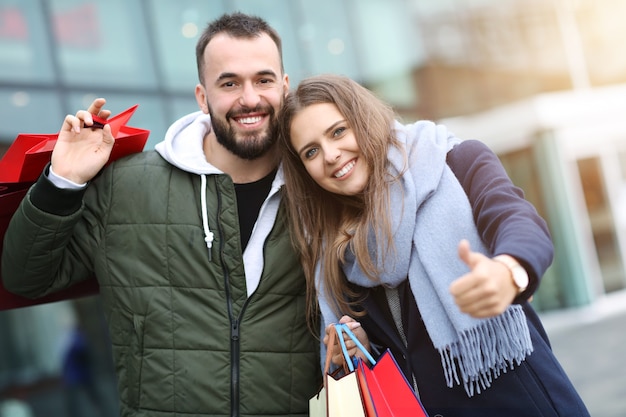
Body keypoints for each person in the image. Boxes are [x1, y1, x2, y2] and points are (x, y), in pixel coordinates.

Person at [1, 13, 321, 417]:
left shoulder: (318, 188)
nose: (249, 98)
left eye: (263, 79)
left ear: (284, 87)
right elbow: (26, 278)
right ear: (203, 97)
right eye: (229, 83)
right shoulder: (125, 187)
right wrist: (62, 182)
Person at [277, 74, 591, 417]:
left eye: (338, 131)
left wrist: (507, 271)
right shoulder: (335, 248)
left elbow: (517, 221)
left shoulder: (454, 161)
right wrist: (365, 347)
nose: (331, 155)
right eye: (311, 152)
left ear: (363, 119)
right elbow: (405, 353)